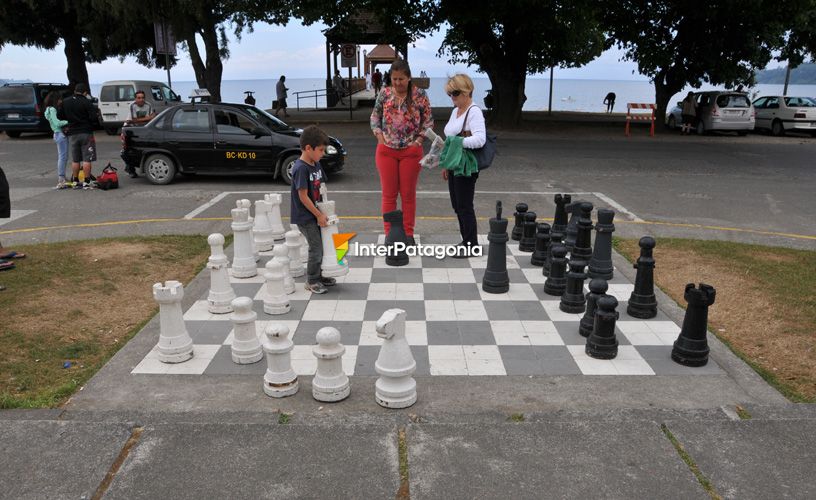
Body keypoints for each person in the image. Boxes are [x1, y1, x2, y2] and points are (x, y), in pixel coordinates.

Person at [370, 59, 433, 243]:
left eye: (401, 79)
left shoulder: (419, 95)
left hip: (410, 151)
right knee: (389, 195)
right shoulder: (384, 93)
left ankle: (408, 233)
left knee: (408, 195)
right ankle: (390, 233)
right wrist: (379, 136)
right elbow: (375, 116)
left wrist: (419, 140)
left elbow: (428, 120)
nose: (397, 83)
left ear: (409, 77)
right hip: (386, 150)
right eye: (394, 78)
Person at [441, 74, 486, 256]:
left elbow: (480, 139)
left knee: (465, 205)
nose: (453, 97)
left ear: (467, 91)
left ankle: (471, 244)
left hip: (466, 165)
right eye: (450, 94)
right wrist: (446, 164)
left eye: (456, 93)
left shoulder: (474, 111)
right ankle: (466, 240)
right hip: (454, 163)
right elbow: (450, 138)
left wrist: (458, 142)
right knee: (457, 205)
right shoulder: (456, 110)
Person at [290, 125, 336, 294]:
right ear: (308, 148)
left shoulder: (315, 164)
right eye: (321, 150)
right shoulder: (301, 168)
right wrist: (318, 214)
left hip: (316, 214)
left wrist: (326, 209)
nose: (322, 154)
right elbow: (303, 196)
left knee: (322, 246)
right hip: (305, 217)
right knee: (315, 248)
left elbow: (321, 187)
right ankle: (312, 280)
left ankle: (319, 275)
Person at [61, 83, 98, 189]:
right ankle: (86, 181)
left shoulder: (66, 102)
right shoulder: (87, 102)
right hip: (86, 132)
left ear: (75, 91)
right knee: (87, 158)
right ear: (85, 92)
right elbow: (93, 118)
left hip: (72, 133)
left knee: (75, 159)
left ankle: (75, 180)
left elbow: (60, 116)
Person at [44, 90, 70, 189]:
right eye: (59, 99)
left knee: (62, 156)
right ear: (55, 100)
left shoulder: (47, 110)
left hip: (56, 134)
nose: (61, 101)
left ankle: (62, 177)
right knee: (63, 157)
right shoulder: (53, 110)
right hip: (60, 134)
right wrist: (68, 121)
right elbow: (57, 123)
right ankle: (61, 178)